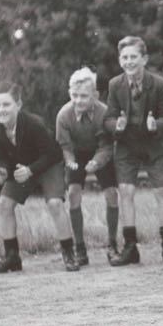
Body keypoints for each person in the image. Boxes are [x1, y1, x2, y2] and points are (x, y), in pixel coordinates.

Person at [104, 35, 163, 266]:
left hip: (154, 144)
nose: (129, 62)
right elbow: (108, 118)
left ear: (144, 59)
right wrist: (115, 126)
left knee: (161, 192)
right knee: (126, 191)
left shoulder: (159, 85)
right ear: (120, 60)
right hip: (127, 145)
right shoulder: (115, 85)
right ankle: (130, 247)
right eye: (125, 57)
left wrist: (155, 125)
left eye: (133, 57)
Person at [0, 81, 79, 273]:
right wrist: (1, 171)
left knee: (55, 203)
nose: (1, 110)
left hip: (47, 166)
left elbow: (53, 154)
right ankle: (12, 257)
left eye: (6, 105)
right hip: (22, 170)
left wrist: (30, 170)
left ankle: (69, 253)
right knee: (4, 203)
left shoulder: (34, 124)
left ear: (18, 105)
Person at [56, 67, 120, 265]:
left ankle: (112, 244)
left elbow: (107, 146)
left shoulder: (104, 113)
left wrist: (97, 162)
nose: (78, 101)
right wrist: (70, 161)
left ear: (95, 95)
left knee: (111, 193)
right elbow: (64, 146)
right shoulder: (63, 116)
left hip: (100, 152)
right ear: (69, 94)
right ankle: (80, 247)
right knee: (74, 193)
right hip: (76, 154)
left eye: (84, 96)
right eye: (74, 95)